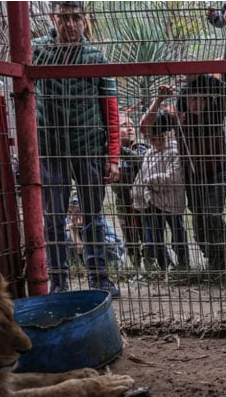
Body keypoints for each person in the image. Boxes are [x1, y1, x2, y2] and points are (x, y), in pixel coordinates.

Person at [33, 1, 121, 296]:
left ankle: (99, 279)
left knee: (93, 216)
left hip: (89, 149)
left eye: (76, 18)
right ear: (52, 17)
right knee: (53, 218)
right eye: (63, 17)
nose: (69, 24)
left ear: (85, 21)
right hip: (50, 150)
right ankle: (58, 281)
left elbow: (110, 109)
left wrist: (113, 157)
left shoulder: (97, 58)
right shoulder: (36, 52)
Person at [175, 75, 226, 274]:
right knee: (199, 223)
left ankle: (225, 264)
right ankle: (213, 261)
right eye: (192, 98)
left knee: (212, 215)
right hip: (192, 175)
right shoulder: (180, 117)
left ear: (208, 100)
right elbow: (149, 127)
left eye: (201, 98)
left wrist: (202, 76)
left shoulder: (216, 112)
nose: (196, 103)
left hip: (216, 172)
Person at [132, 109, 189, 272]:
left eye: (160, 137)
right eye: (152, 138)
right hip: (153, 202)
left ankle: (184, 265)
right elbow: (142, 177)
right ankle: (165, 266)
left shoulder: (175, 151)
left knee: (177, 235)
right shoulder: (149, 153)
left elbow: (173, 177)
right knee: (155, 238)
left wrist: (150, 181)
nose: (156, 141)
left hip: (171, 201)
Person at [112, 112, 150, 268]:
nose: (130, 129)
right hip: (123, 202)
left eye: (131, 125)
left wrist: (120, 150)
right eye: (124, 126)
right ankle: (135, 267)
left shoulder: (140, 146)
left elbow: (141, 161)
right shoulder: (113, 154)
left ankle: (152, 265)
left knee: (147, 235)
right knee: (130, 236)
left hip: (142, 201)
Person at [66, 191, 125, 269]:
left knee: (100, 240)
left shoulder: (96, 218)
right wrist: (73, 230)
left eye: (78, 212)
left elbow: (117, 244)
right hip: (82, 258)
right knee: (67, 236)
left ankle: (108, 266)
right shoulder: (67, 221)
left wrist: (86, 226)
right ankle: (76, 266)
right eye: (70, 212)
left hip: (107, 256)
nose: (72, 217)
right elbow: (78, 248)